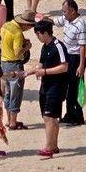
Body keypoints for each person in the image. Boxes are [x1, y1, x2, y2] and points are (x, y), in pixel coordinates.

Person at [31, 20, 69, 157]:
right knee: (50, 117)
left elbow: (65, 66)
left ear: (46, 33)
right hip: (45, 86)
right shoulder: (45, 46)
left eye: (38, 34)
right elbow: (40, 65)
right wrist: (27, 73)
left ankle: (48, 147)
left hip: (57, 86)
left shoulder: (58, 46)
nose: (37, 37)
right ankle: (54, 145)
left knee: (49, 116)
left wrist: (45, 72)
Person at [55, 0, 86, 125]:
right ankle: (69, 114)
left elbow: (82, 47)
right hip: (67, 56)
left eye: (65, 11)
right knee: (68, 87)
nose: (63, 14)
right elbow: (55, 22)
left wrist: (81, 66)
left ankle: (78, 116)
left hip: (76, 59)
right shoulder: (66, 19)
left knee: (75, 88)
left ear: (73, 11)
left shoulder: (81, 25)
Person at [0, 15, 31, 131]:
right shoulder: (17, 32)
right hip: (14, 64)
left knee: (8, 92)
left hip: (4, 62)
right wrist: (27, 47)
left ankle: (8, 120)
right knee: (16, 94)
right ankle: (13, 122)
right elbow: (18, 53)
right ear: (26, 24)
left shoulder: (6, 25)